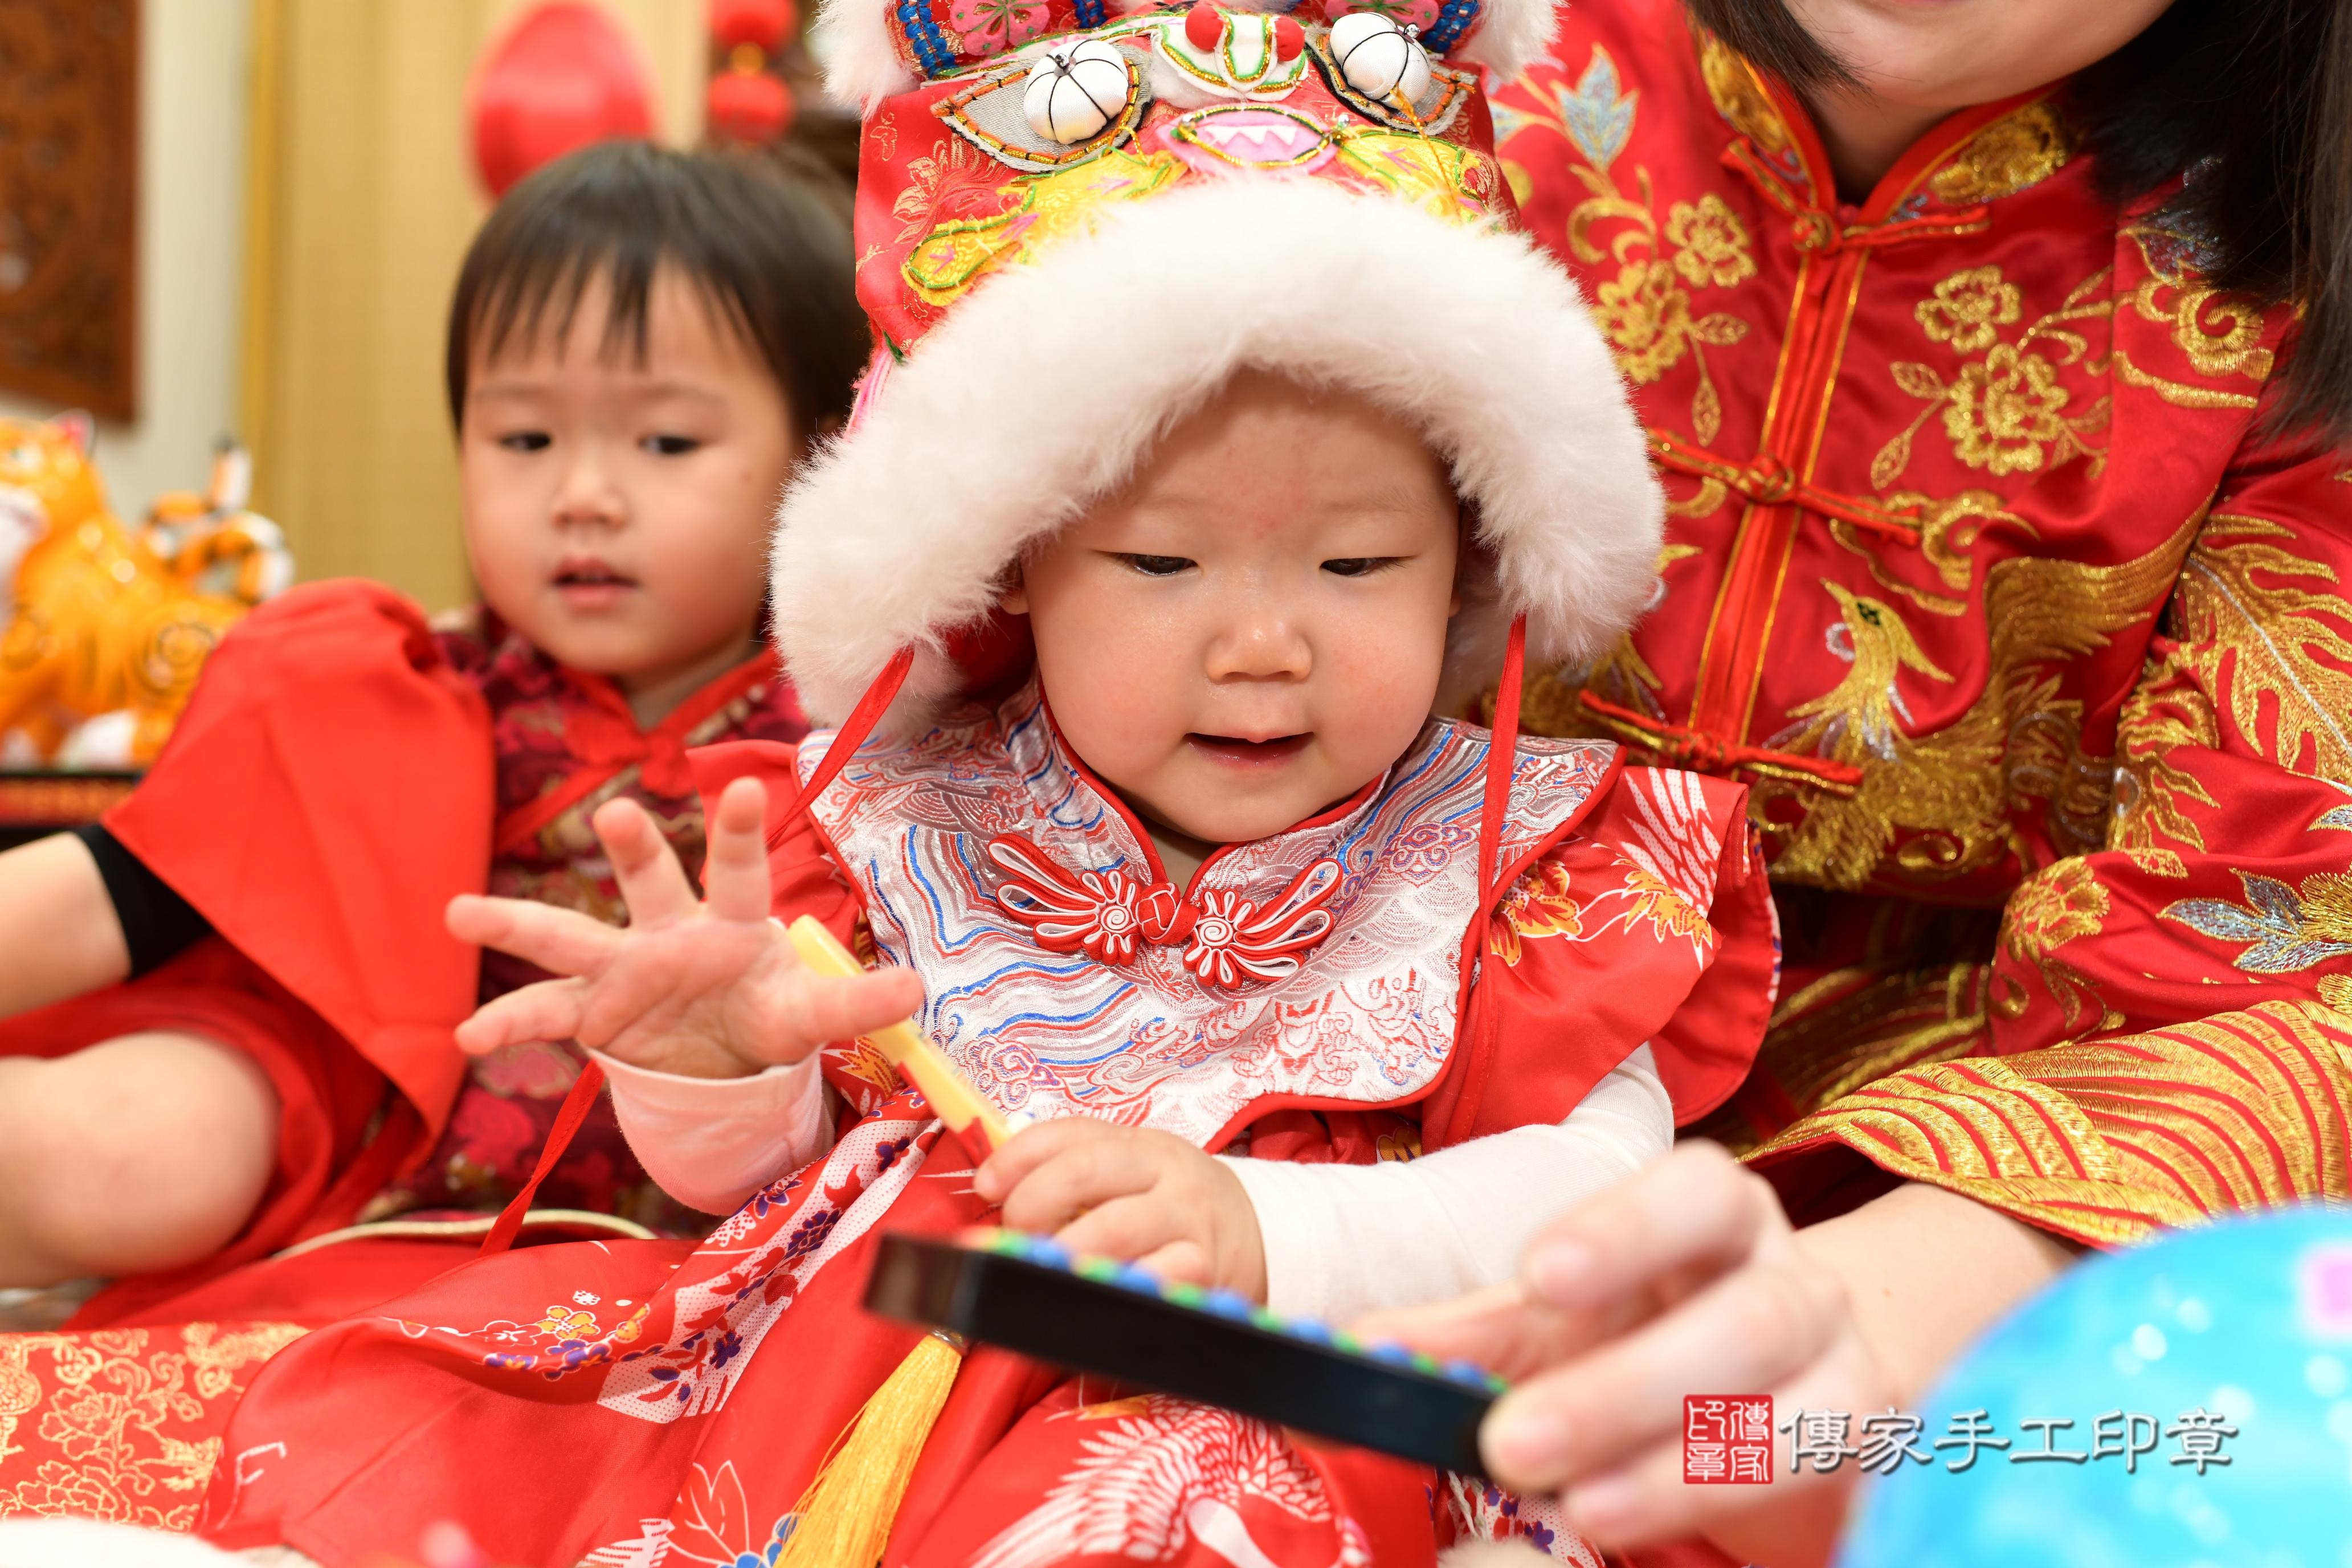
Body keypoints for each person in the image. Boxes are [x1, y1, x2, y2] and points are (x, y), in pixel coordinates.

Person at [190, 1, 1776, 1562]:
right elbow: (780, 1185)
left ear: (1471, 571)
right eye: (1161, 561)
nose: (1264, 643)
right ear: (1014, 573)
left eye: (1359, 563)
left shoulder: (1535, 859)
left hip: (1278, 1416)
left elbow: (1602, 1190)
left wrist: (1268, 1235)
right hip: (828, 1404)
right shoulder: (907, 818)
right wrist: (720, 1076)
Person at [1362, 0, 2352, 1563]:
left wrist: (1838, 1354)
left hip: (1958, 1260)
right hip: (1260, 1071)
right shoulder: (1399, 56)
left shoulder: (2305, 255)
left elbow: (2275, 976)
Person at [0, 144, 862, 1326]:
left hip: (690, 1221)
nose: (583, 495)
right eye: (524, 440)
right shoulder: (395, 683)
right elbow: (116, 891)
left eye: (665, 443)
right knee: (113, 1148)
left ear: (823, 459)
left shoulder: (863, 752)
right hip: (348, 1113)